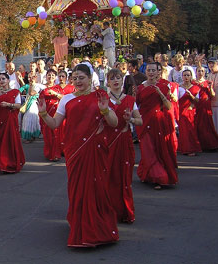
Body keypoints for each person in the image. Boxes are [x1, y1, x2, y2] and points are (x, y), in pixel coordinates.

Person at [37, 63, 119, 247]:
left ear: (90, 78)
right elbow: (54, 124)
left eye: (81, 77)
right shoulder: (66, 99)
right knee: (77, 189)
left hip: (95, 149)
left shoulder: (100, 96)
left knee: (96, 188)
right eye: (75, 78)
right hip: (74, 151)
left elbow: (114, 123)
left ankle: (98, 227)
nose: (78, 81)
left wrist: (105, 109)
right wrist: (42, 113)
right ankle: (79, 223)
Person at [104, 69, 142, 223]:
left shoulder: (130, 100)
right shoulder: (103, 100)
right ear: (107, 82)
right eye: (112, 78)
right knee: (107, 177)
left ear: (122, 80)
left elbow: (140, 121)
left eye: (118, 78)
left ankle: (124, 210)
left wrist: (130, 120)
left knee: (124, 176)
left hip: (124, 141)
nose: (115, 81)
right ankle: (108, 211)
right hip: (107, 142)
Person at [136, 62, 177, 190]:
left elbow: (169, 106)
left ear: (158, 72)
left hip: (158, 121)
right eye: (149, 70)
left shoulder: (164, 87)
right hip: (144, 122)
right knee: (147, 149)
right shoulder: (140, 88)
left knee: (158, 149)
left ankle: (158, 176)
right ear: (146, 72)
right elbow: (135, 105)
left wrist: (160, 93)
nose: (151, 72)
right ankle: (154, 175)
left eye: (154, 70)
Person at [0, 73, 25, 173]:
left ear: (8, 80)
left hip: (11, 120)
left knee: (11, 140)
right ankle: (3, 163)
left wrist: (8, 104)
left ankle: (12, 163)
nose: (1, 81)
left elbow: (18, 105)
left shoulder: (15, 92)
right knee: (1, 141)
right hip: (0, 120)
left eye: (3, 79)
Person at [194, 66, 218, 151]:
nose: (200, 72)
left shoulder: (208, 82)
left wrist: (210, 88)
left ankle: (210, 144)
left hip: (206, 104)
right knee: (197, 124)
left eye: (202, 71)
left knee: (207, 124)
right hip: (196, 104)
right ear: (196, 72)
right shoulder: (193, 82)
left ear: (204, 72)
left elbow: (212, 95)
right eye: (199, 71)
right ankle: (198, 144)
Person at [39, 69, 63, 161]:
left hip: (56, 112)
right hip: (46, 111)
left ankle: (56, 154)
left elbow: (63, 97)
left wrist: (55, 94)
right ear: (46, 76)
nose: (51, 77)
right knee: (47, 134)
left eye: (53, 75)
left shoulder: (58, 88)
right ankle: (49, 153)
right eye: (49, 75)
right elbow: (40, 99)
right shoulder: (42, 88)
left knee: (56, 134)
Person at [177, 70, 201, 156]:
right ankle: (184, 148)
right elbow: (176, 100)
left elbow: (197, 100)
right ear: (182, 77)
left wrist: (191, 95)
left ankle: (191, 148)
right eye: (184, 75)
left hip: (191, 111)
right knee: (183, 130)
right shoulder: (178, 88)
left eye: (188, 75)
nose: (186, 77)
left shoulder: (195, 88)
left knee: (191, 130)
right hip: (181, 111)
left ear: (191, 76)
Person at [19, 75, 44, 143]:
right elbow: (19, 90)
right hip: (27, 104)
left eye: (33, 77)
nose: (31, 79)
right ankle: (29, 136)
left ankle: (31, 136)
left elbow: (31, 93)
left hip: (33, 104)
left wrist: (32, 85)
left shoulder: (39, 86)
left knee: (31, 119)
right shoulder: (27, 85)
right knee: (26, 119)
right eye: (29, 77)